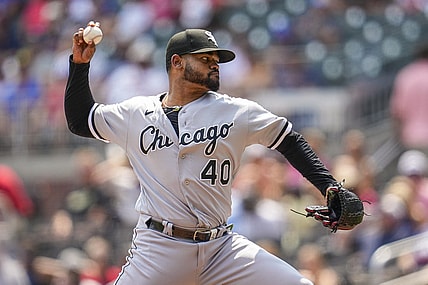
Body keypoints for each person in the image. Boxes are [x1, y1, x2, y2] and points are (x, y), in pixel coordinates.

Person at [65, 23, 348, 285]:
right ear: (177, 62)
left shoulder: (237, 112)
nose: (215, 66)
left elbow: (289, 140)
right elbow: (81, 119)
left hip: (222, 249)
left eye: (216, 61)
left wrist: (330, 187)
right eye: (205, 59)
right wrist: (80, 65)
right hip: (159, 249)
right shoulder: (135, 113)